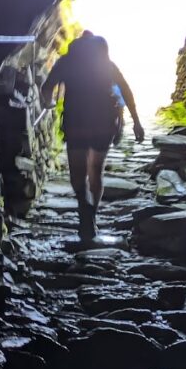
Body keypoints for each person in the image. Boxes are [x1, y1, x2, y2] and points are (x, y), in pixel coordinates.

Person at [40, 33, 144, 243]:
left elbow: (46, 87)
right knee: (96, 169)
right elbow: (125, 90)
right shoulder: (106, 63)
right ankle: (92, 217)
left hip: (75, 122)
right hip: (103, 123)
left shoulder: (66, 62)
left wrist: (48, 103)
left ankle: (83, 207)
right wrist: (136, 122)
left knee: (77, 173)